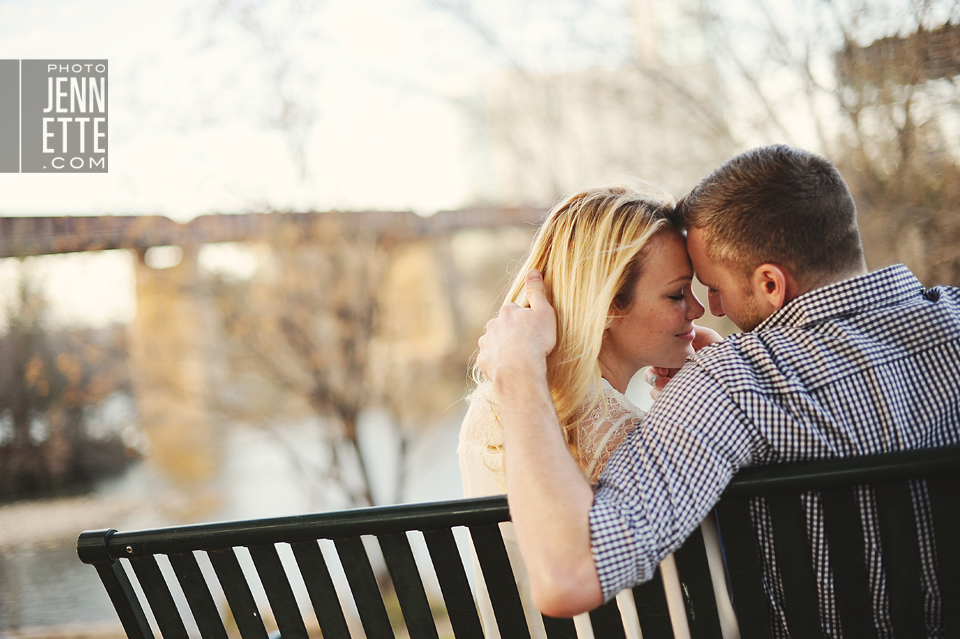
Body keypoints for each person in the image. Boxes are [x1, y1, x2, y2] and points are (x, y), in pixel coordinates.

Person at [476, 144, 960, 638]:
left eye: (712, 286)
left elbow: (568, 577)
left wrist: (519, 374)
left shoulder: (733, 383)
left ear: (770, 284)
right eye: (683, 291)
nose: (711, 309)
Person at [458, 185, 732, 639]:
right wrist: (716, 397)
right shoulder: (622, 433)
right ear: (606, 307)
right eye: (676, 295)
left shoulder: (488, 412)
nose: (698, 309)